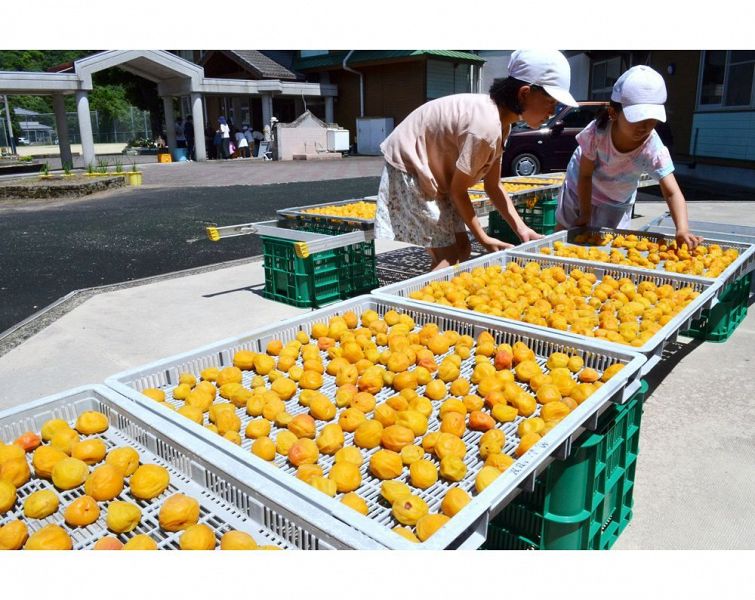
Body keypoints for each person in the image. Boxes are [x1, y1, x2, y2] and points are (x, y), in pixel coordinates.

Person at [376, 50, 578, 270]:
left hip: (435, 173)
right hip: (410, 166)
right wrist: (483, 238)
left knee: (462, 249)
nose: (553, 111)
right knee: (449, 259)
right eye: (550, 101)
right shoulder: (485, 126)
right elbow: (458, 191)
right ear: (525, 93)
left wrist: (521, 228)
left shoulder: (502, 124)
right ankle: (413, 302)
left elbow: (493, 185)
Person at [556, 65, 701, 249]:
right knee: (565, 235)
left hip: (616, 198)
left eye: (651, 120)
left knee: (609, 247)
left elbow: (672, 191)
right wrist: (584, 213)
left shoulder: (652, 147)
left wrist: (682, 228)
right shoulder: (596, 134)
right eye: (638, 119)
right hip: (581, 190)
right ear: (613, 113)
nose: (645, 127)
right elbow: (584, 176)